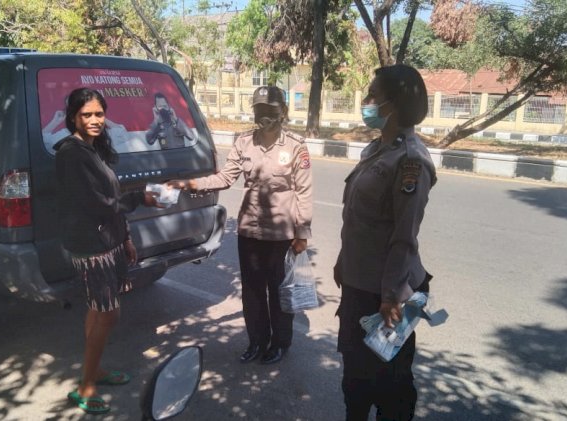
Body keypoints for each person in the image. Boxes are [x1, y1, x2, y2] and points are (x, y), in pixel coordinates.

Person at [167, 86, 313, 365]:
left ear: (282, 112)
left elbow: (304, 192)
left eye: (269, 110)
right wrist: (190, 184)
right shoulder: (244, 142)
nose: (263, 115)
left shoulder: (296, 146)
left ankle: (280, 343)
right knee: (253, 291)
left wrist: (302, 233)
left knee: (279, 291)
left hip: (281, 234)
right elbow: (224, 177)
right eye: (258, 110)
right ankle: (257, 341)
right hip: (250, 231)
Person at [333, 64, 437, 421]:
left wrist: (392, 297)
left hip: (384, 295)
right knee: (355, 381)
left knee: (391, 387)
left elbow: (404, 237)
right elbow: (360, 222)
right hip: (358, 285)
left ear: (393, 104)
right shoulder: (378, 149)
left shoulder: (410, 161)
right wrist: (342, 263)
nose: (367, 101)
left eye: (373, 94)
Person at [54, 87, 160, 414]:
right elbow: (97, 204)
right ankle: (85, 385)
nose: (95, 120)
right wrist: (139, 198)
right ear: (74, 117)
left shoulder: (92, 148)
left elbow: (110, 200)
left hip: (107, 241)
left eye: (99, 114)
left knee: (98, 309)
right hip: (91, 246)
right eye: (87, 115)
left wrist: (124, 237)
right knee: (109, 313)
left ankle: (95, 369)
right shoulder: (71, 153)